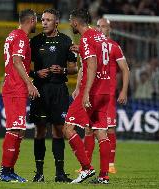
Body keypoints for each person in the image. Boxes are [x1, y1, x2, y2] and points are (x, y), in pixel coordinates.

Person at [29, 8, 78, 182]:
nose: (44, 23)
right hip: (40, 90)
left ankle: (59, 173)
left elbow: (74, 68)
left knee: (59, 130)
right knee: (40, 130)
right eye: (43, 20)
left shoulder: (66, 41)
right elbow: (23, 66)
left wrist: (63, 69)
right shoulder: (34, 42)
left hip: (58, 91)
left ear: (56, 22)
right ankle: (39, 173)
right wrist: (36, 74)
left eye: (48, 20)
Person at [63, 9, 111, 184]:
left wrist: (86, 93)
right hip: (106, 89)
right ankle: (104, 176)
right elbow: (98, 57)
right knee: (100, 132)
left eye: (70, 21)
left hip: (92, 91)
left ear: (75, 22)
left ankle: (86, 168)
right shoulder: (99, 36)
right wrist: (82, 50)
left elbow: (91, 65)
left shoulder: (86, 38)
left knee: (68, 128)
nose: (70, 24)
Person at [81, 18, 130, 174]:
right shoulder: (92, 44)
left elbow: (125, 69)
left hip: (106, 95)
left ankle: (110, 164)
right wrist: (79, 89)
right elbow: (85, 67)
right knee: (88, 129)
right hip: (92, 92)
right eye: (98, 26)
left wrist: (123, 91)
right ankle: (86, 165)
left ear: (109, 29)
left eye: (104, 27)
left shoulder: (114, 47)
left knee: (109, 129)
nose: (101, 29)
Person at [0, 9, 40, 183]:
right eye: (37, 20)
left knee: (20, 130)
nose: (37, 24)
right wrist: (30, 83)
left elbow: (13, 62)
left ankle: (9, 170)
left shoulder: (12, 35)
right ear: (31, 20)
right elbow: (16, 61)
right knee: (15, 129)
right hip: (16, 88)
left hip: (14, 85)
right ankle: (5, 171)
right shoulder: (21, 37)